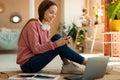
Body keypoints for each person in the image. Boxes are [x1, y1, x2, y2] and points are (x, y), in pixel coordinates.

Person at [17, 0, 86, 74]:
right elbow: (36, 49)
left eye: (55, 13)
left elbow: (45, 47)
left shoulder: (45, 27)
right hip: (27, 65)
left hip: (35, 59)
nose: (54, 16)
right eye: (51, 12)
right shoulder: (32, 25)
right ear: (43, 11)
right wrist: (57, 44)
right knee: (57, 43)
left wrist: (61, 42)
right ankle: (85, 62)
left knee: (57, 37)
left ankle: (67, 64)